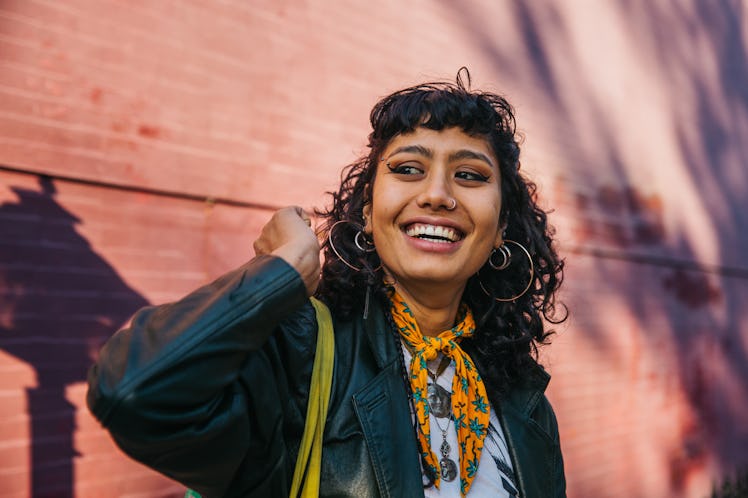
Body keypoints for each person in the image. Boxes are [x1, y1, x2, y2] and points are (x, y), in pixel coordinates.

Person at [87, 68, 567, 498]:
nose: (437, 195)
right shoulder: (302, 353)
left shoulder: (522, 398)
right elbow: (135, 393)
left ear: (501, 224)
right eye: (407, 169)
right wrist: (282, 272)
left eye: (469, 175)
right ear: (367, 210)